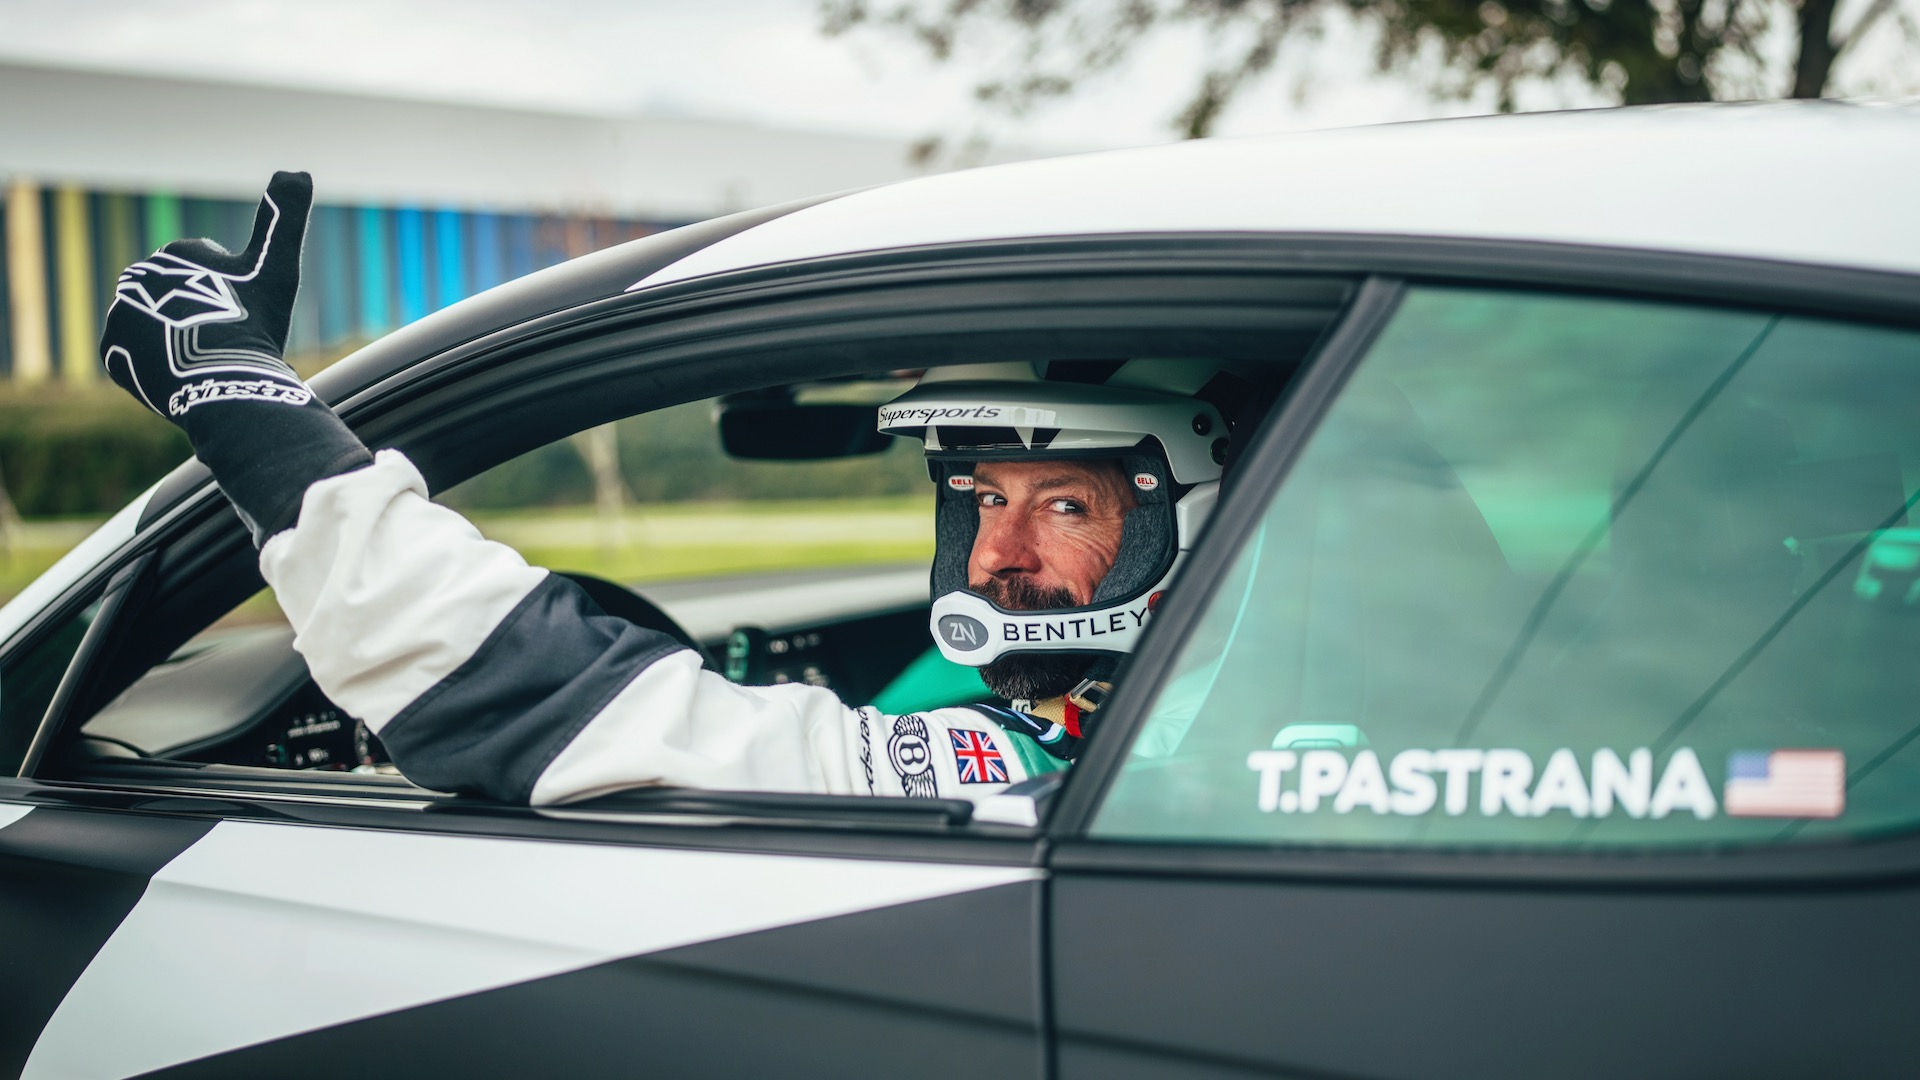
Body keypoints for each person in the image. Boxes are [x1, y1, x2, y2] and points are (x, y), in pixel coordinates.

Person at [99, 172, 1225, 804]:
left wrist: (235, 394)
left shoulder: (1066, 767)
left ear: (1200, 513)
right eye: (983, 498)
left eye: (1066, 504)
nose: (994, 559)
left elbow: (536, 703)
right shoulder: (1188, 724)